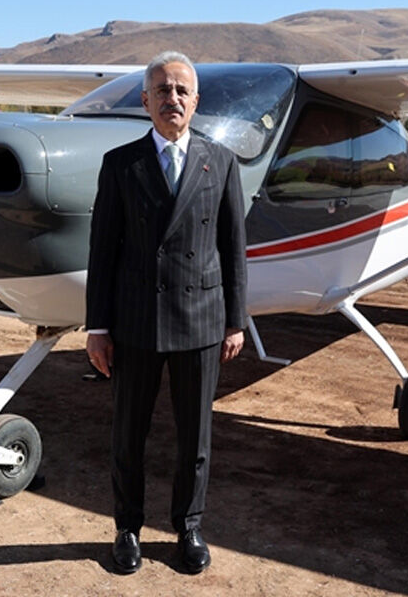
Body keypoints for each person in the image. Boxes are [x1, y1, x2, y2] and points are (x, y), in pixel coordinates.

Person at [85, 51, 247, 575]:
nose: (171, 98)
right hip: (134, 323)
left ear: (195, 101)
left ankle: (189, 527)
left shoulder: (220, 163)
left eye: (181, 90)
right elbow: (102, 250)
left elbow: (233, 247)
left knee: (193, 439)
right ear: (145, 99)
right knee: (127, 434)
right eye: (161, 89)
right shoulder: (120, 164)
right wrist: (98, 327)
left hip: (200, 322)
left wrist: (235, 320)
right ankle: (127, 528)